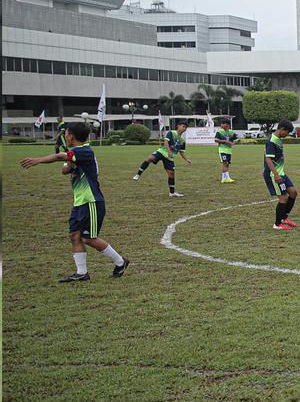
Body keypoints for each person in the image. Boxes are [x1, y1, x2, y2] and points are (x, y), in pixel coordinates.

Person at [21, 121, 131, 282]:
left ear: (71, 136)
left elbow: (60, 157)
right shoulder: (76, 153)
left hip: (92, 201)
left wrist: (38, 160)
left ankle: (121, 262)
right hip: (79, 202)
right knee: (74, 235)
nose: (65, 136)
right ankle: (82, 273)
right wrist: (70, 161)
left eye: (66, 133)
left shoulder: (85, 151)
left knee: (88, 238)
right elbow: (64, 170)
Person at [133, 121, 192, 197]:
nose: (184, 128)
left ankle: (172, 193)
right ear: (178, 126)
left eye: (186, 128)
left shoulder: (182, 140)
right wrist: (169, 151)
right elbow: (166, 142)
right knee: (150, 158)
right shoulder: (171, 133)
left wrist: (187, 159)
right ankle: (138, 174)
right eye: (183, 126)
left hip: (169, 157)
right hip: (161, 152)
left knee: (171, 174)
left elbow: (181, 152)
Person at [264, 120, 300, 229]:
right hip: (274, 175)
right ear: (282, 129)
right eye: (287, 132)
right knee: (283, 198)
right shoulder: (271, 141)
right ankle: (277, 224)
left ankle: (284, 217)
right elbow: (268, 159)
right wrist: (276, 175)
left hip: (281, 173)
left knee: (293, 192)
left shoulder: (278, 139)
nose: (287, 135)